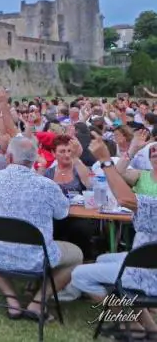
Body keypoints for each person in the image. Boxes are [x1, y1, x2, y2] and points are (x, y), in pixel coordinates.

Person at [0, 136, 83, 321]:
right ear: (35, 160)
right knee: (77, 254)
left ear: (9, 158)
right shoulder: (47, 185)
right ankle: (37, 303)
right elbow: (62, 214)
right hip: (34, 257)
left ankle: (12, 300)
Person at [64, 134, 157, 334]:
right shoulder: (143, 177)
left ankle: (130, 323)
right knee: (103, 258)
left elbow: (124, 199)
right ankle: (149, 327)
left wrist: (105, 160)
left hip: (147, 273)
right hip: (144, 261)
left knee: (79, 275)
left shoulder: (153, 203)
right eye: (153, 149)